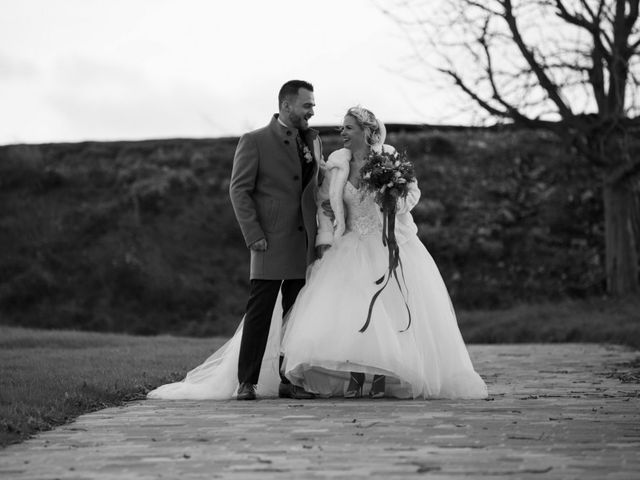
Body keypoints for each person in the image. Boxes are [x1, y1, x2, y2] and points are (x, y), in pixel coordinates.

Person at [279, 106, 488, 399]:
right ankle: (355, 376)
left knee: (386, 314)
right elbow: (324, 205)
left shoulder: (390, 160)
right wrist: (324, 239)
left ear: (366, 131)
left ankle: (380, 378)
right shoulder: (336, 167)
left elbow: (412, 193)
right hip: (348, 246)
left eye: (348, 128)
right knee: (350, 315)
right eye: (341, 128)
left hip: (388, 243)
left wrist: (394, 200)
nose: (342, 133)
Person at [147, 80, 326, 401]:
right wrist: (253, 233)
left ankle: (289, 379)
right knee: (260, 312)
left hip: (304, 242)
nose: (312, 111)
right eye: (307, 105)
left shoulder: (313, 141)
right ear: (286, 105)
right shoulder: (254, 141)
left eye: (313, 105)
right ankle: (247, 382)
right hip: (269, 241)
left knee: (296, 314)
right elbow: (239, 190)